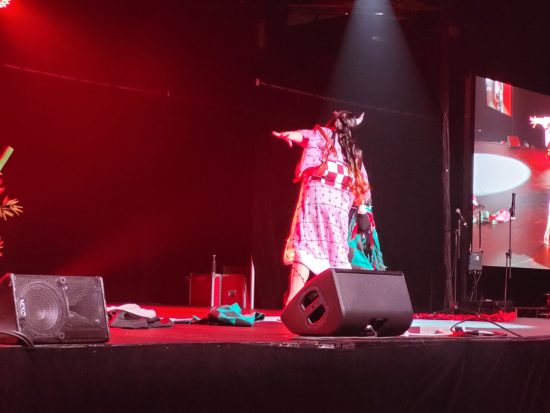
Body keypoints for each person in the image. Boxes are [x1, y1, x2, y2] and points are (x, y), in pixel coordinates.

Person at [272, 111, 375, 305]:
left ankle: (293, 300)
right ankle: (344, 304)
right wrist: (362, 209)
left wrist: (289, 135)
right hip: (338, 204)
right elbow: (362, 185)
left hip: (317, 198)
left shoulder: (323, 135)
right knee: (336, 251)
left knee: (306, 246)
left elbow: (304, 135)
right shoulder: (352, 151)